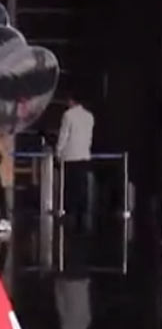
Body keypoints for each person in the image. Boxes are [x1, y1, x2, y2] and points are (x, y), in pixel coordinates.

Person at [57, 92, 95, 235]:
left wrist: (58, 151)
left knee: (71, 186)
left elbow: (64, 135)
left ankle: (70, 213)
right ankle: (82, 213)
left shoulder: (68, 115)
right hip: (84, 155)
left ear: (71, 101)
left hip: (71, 155)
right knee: (82, 186)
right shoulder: (89, 116)